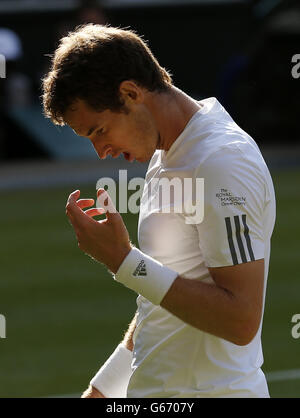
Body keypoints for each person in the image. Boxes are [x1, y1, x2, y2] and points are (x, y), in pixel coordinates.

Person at [42, 24, 276, 398]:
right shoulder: (166, 153)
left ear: (131, 93)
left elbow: (241, 319)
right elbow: (160, 296)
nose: (101, 152)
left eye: (99, 130)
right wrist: (101, 391)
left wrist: (122, 260)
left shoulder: (221, 161)